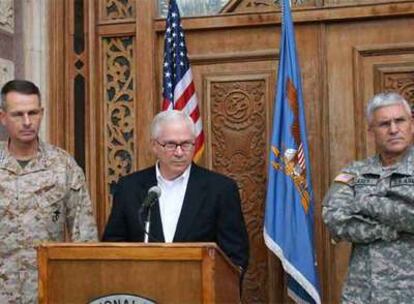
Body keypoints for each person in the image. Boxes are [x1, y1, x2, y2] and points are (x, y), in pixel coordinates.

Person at [103, 110, 249, 271]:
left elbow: (235, 256)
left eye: (186, 144)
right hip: (142, 290)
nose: (179, 152)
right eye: (171, 145)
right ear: (154, 146)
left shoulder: (221, 189)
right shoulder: (129, 188)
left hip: (198, 291)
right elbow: (113, 247)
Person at [0, 80, 98, 303]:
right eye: (18, 114)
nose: (27, 122)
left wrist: (80, 289)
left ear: (42, 113)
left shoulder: (63, 165)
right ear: (3, 117)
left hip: (48, 291)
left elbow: (84, 236)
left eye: (33, 113)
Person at [322, 92, 414, 303]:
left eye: (399, 121)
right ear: (371, 132)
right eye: (384, 124)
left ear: (411, 125)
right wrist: (388, 228)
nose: (393, 129)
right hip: (364, 293)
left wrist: (364, 202)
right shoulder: (355, 172)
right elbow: (334, 218)